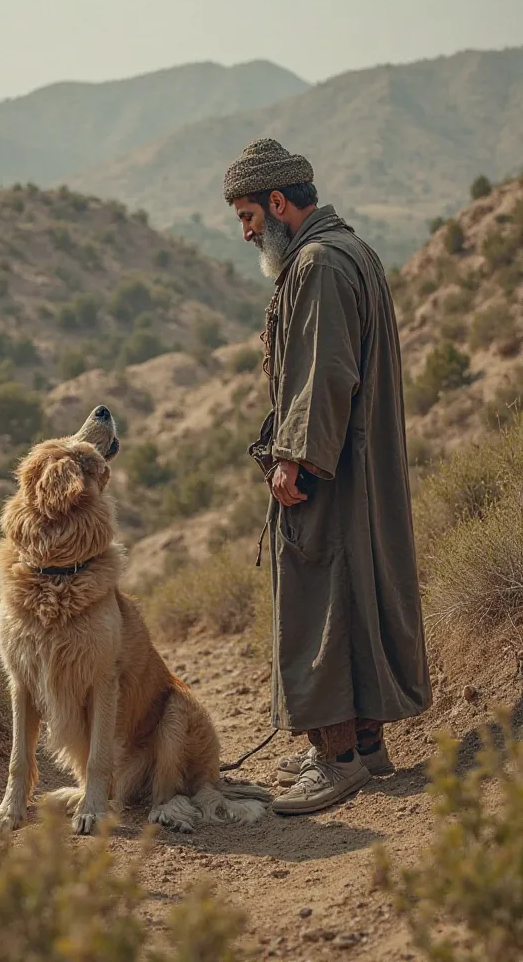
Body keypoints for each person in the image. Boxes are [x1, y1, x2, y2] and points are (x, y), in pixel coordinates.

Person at [223, 138, 432, 815]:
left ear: (279, 203)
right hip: (361, 467)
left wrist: (293, 460)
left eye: (250, 217)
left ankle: (335, 759)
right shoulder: (353, 250)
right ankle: (365, 747)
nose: (248, 232)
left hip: (328, 473)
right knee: (358, 596)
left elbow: (325, 373)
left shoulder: (315, 262)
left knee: (322, 606)